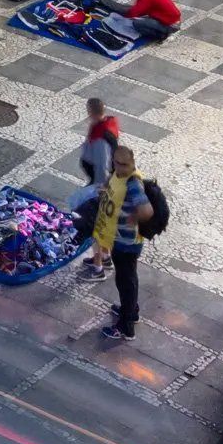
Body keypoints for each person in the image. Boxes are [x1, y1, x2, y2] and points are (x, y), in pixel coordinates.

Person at [93, 141, 152, 342]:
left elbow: (146, 211)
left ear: (132, 162)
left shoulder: (133, 184)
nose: (120, 167)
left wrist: (135, 217)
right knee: (127, 279)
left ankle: (126, 327)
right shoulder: (118, 177)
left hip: (128, 243)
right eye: (117, 163)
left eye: (125, 164)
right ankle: (131, 311)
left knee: (126, 282)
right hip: (118, 240)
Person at [71, 98, 120, 275]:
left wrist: (98, 190)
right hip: (100, 184)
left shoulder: (101, 138)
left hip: (99, 186)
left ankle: (98, 267)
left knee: (94, 226)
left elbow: (101, 165)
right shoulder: (107, 125)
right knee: (102, 225)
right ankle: (105, 258)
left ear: (90, 111)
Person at [96, 0, 181, 43]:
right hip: (175, 20)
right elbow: (144, 9)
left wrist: (125, 17)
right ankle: (162, 31)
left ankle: (161, 35)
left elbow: (134, 12)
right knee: (136, 14)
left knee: (137, 24)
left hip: (170, 25)